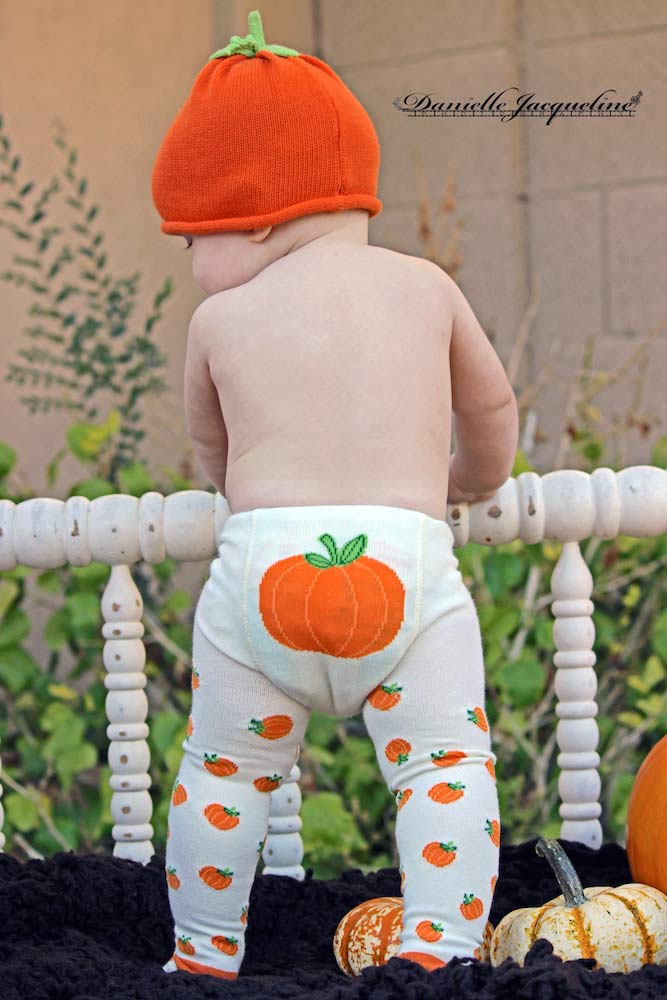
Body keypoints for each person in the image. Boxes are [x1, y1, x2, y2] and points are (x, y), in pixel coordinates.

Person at [152, 9, 518, 981]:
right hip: (402, 571)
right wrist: (472, 486)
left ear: (258, 215)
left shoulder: (219, 320)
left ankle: (202, 951)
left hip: (260, 583)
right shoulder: (423, 287)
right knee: (443, 768)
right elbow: (491, 411)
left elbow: (212, 455)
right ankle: (438, 950)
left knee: (225, 774)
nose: (191, 262)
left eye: (194, 234)